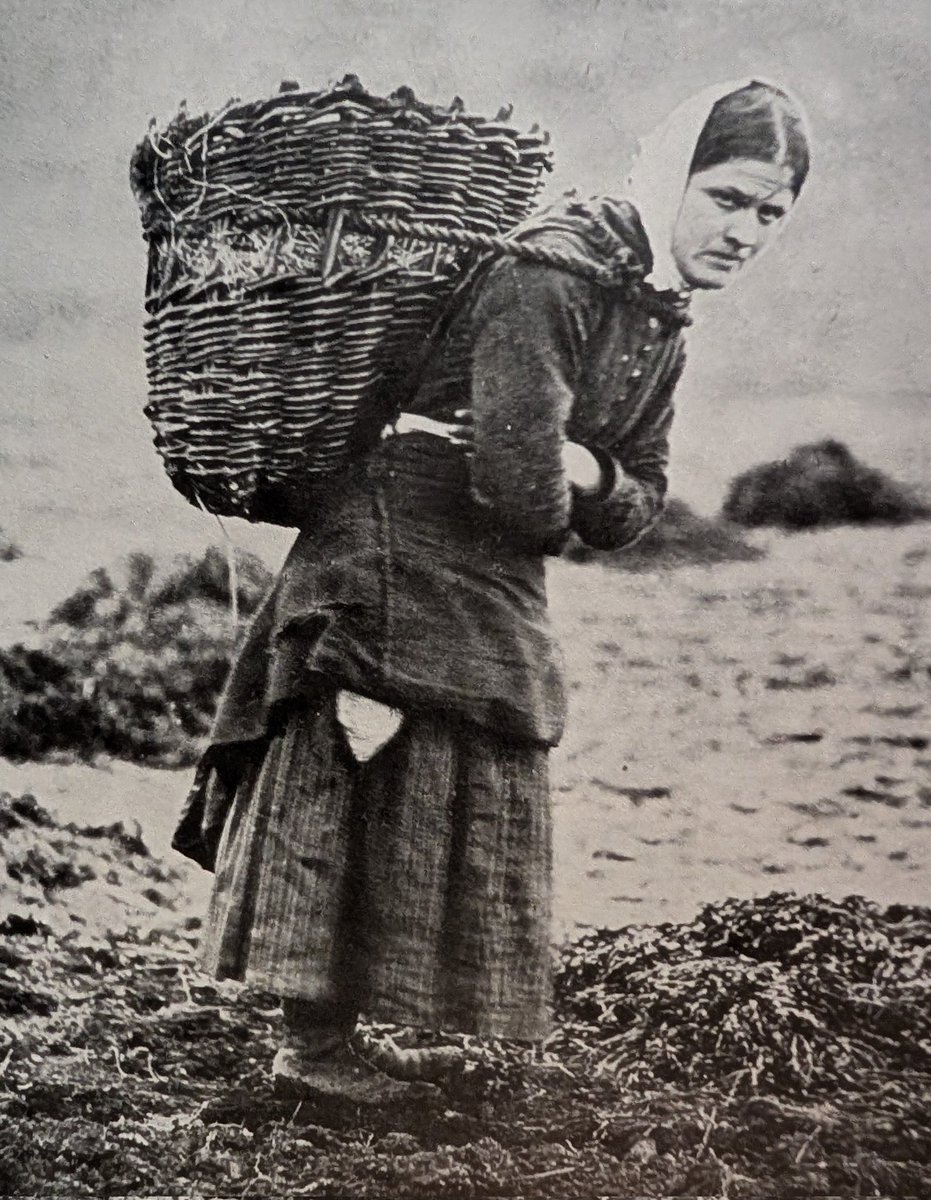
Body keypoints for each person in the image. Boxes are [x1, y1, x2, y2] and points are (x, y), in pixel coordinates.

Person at [173, 78, 811, 1102]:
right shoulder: (550, 274)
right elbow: (514, 479)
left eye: (773, 215)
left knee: (467, 750)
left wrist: (591, 472)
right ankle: (312, 1049)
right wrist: (568, 478)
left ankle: (336, 1039)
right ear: (675, 175)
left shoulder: (658, 316)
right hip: (391, 543)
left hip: (483, 561)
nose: (747, 231)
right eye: (730, 197)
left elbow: (639, 492)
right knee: (368, 755)